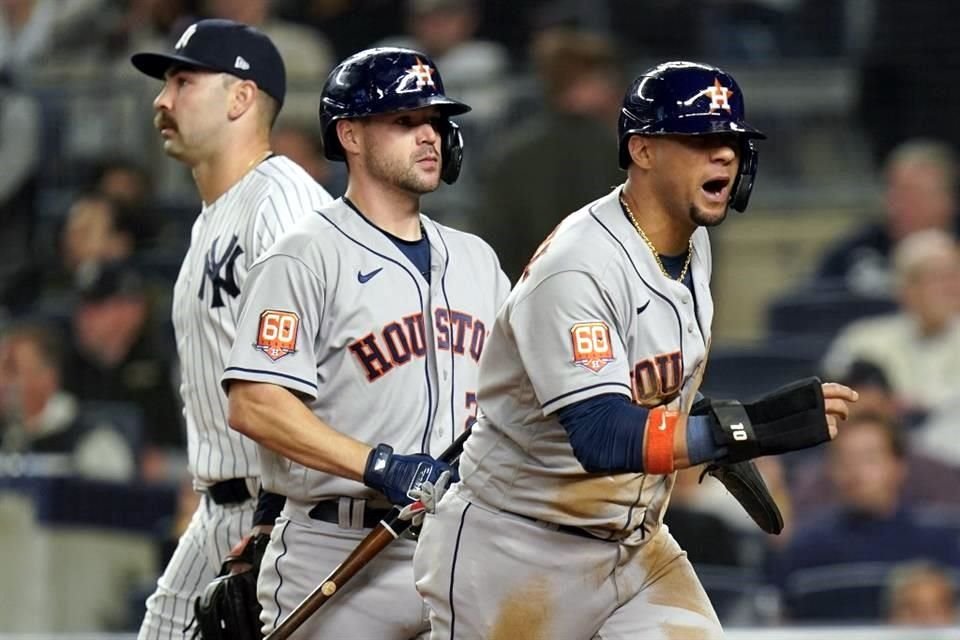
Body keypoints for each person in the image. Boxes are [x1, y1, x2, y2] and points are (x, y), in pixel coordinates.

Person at [412, 60, 858, 639]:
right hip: (517, 547)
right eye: (701, 139)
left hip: (633, 544)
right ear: (643, 151)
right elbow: (599, 433)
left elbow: (649, 382)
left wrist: (706, 423)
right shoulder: (579, 267)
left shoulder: (694, 242)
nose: (724, 155)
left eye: (732, 142)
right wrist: (739, 431)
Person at [222, 46, 510, 638]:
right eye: (405, 121)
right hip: (337, 545)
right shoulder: (304, 255)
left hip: (462, 545)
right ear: (349, 134)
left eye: (434, 121)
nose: (428, 136)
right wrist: (379, 465)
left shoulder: (477, 260)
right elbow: (255, 403)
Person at [129, 18, 334, 638]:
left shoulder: (282, 204)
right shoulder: (218, 214)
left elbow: (323, 360)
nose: (162, 100)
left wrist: (276, 516)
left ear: (241, 97)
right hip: (226, 505)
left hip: (276, 510)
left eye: (184, 81)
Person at [769, 412, 960, 622]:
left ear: (899, 466)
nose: (855, 471)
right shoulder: (803, 549)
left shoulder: (944, 543)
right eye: (843, 460)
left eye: (869, 459)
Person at [813, 139, 959, 295]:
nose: (900, 206)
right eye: (895, 193)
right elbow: (804, 304)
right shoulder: (859, 250)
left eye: (915, 195)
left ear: (950, 200)